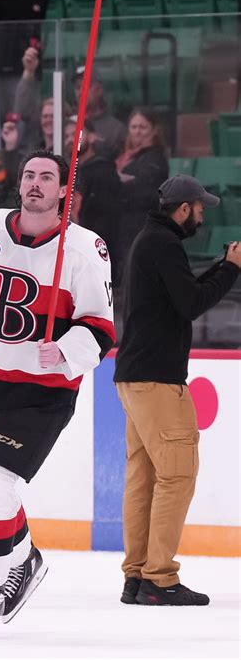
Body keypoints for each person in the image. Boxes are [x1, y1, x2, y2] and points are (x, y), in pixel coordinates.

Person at [0, 151, 115, 638]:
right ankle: (25, 559)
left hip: (40, 393)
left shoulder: (83, 248)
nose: (35, 184)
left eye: (46, 177)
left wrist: (69, 350)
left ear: (63, 192)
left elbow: (101, 327)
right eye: (29, 175)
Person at [114, 174, 241, 607]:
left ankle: (137, 575)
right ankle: (159, 577)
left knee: (145, 476)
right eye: (200, 209)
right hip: (158, 380)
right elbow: (191, 304)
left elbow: (181, 294)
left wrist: (223, 267)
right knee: (177, 475)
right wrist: (232, 270)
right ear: (183, 208)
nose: (202, 216)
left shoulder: (151, 242)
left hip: (134, 376)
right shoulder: (163, 245)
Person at [116, 107, 169, 262]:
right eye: (134, 127)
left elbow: (147, 190)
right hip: (123, 224)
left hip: (141, 226)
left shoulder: (156, 158)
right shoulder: (124, 155)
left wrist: (120, 183)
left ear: (154, 131)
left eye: (142, 127)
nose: (137, 131)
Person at [72, 121, 122, 285]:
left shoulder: (103, 171)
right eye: (66, 136)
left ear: (92, 137)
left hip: (95, 254)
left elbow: (106, 220)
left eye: (77, 133)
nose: (71, 139)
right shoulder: (65, 171)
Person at [72, 65, 126, 155]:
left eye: (87, 86)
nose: (81, 92)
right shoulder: (67, 123)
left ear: (99, 90)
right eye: (78, 87)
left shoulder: (116, 129)